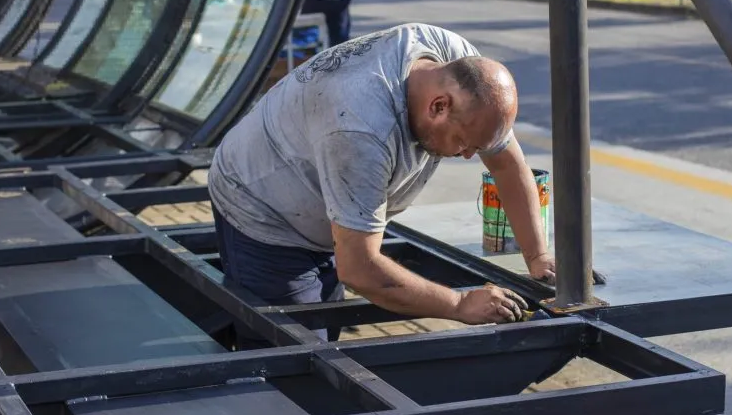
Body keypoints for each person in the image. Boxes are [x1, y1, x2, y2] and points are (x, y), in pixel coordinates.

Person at [208, 22, 555, 348]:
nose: (467, 156)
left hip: (316, 191)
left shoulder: (457, 65)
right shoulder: (360, 129)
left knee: (324, 326)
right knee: (294, 354)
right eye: (464, 143)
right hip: (261, 205)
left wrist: (537, 257)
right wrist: (459, 303)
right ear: (438, 106)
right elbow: (359, 268)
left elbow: (507, 165)